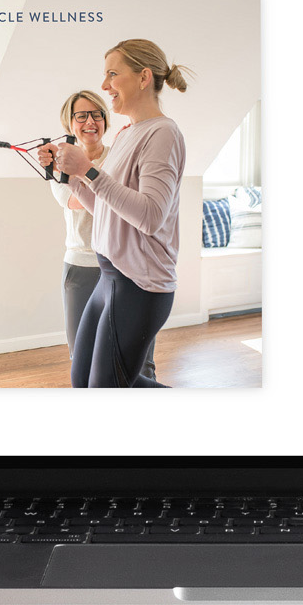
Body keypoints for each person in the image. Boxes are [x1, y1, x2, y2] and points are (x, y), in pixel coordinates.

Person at [38, 39, 191, 388]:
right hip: (110, 277)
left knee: (106, 387)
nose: (105, 86)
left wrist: (89, 171)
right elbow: (106, 209)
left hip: (139, 283)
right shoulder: (126, 133)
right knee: (84, 380)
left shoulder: (162, 133)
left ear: (142, 77)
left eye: (112, 74)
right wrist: (73, 175)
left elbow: (151, 215)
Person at [48, 89, 157, 385]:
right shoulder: (60, 163)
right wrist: (76, 169)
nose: (89, 121)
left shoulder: (121, 155)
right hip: (81, 267)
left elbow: (132, 205)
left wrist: (83, 170)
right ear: (69, 123)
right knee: (83, 360)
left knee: (138, 362)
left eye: (96, 114)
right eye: (80, 115)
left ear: (106, 120)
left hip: (125, 265)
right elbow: (74, 200)